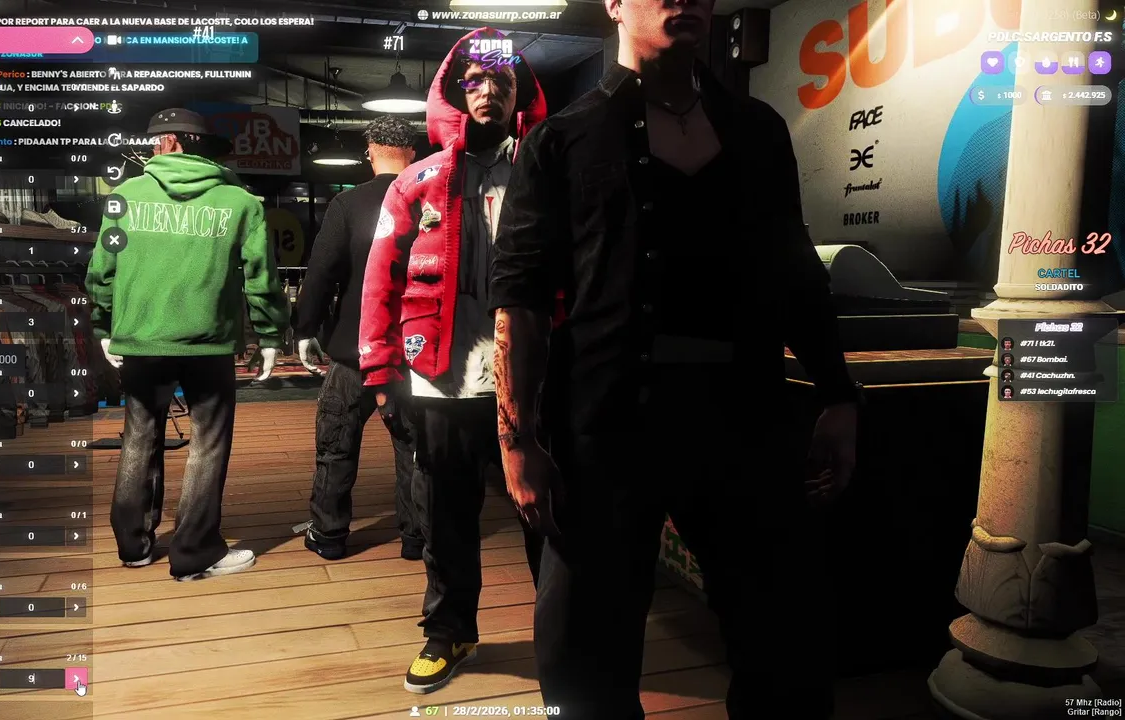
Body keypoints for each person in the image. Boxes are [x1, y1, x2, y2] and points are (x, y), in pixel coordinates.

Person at [489, 1, 860, 717]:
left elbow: (796, 275)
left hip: (744, 419)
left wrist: (838, 394)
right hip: (603, 426)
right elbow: (520, 300)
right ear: (614, 4)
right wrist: (518, 439)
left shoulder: (757, 130)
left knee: (784, 641)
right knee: (585, 654)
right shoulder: (562, 139)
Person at [358, 27, 547, 694]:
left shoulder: (547, 173)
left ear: (520, 91)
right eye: (474, 80)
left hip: (532, 379)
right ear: (455, 91)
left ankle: (564, 633)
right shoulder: (417, 181)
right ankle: (449, 631)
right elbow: (380, 277)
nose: (488, 90)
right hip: (441, 379)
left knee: (546, 510)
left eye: (501, 79)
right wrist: (380, 372)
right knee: (446, 516)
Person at [88, 108, 289, 581]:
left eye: (154, 142)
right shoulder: (240, 202)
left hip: (141, 338)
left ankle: (133, 546)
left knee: (140, 434)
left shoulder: (125, 197)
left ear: (171, 142)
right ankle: (194, 552)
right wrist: (269, 335)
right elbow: (262, 278)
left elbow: (102, 270)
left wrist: (103, 326)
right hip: (209, 343)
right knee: (208, 442)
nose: (150, 149)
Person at [294, 116, 425, 562]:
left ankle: (329, 535)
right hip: (413, 349)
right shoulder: (431, 202)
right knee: (414, 448)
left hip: (354, 349)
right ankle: (416, 538)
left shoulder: (347, 204)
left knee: (336, 443)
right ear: (413, 153)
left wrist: (305, 328)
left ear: (369, 152)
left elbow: (320, 273)